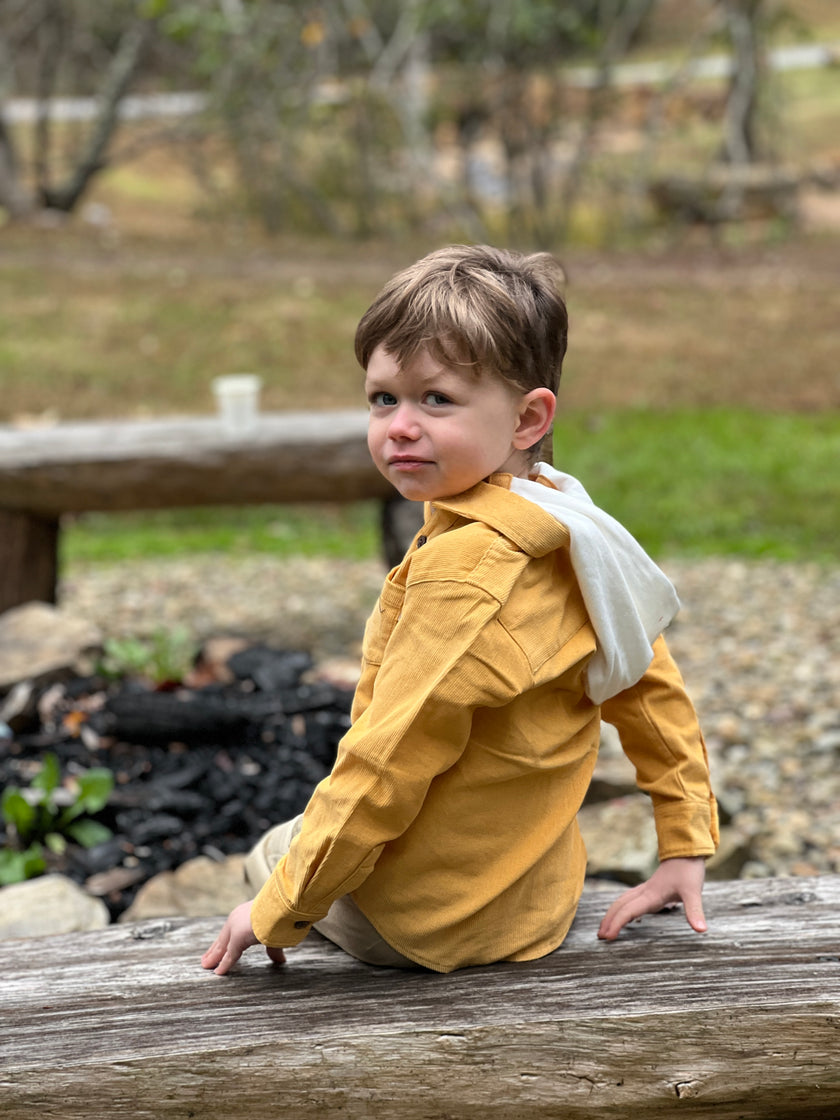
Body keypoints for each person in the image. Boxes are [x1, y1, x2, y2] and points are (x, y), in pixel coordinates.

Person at [201, 244, 718, 977]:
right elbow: (647, 684)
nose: (400, 426)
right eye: (384, 399)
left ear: (528, 417)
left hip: (427, 925)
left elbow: (386, 764)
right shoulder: (578, 528)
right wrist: (684, 844)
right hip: (534, 906)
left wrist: (277, 908)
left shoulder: (461, 576)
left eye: (436, 399)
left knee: (271, 853)